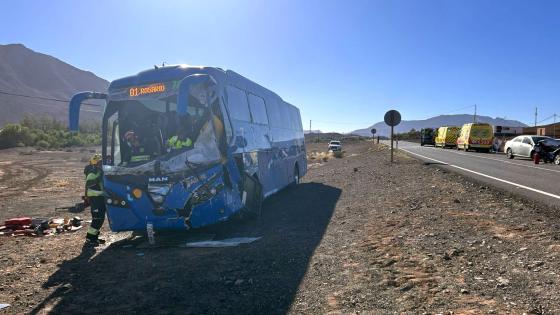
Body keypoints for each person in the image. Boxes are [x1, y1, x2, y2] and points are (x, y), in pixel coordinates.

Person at [84, 153, 106, 246]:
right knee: (97, 219)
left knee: (100, 219)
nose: (102, 164)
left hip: (99, 197)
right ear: (96, 163)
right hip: (95, 198)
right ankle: (90, 238)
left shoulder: (98, 171)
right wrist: (99, 177)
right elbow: (89, 183)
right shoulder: (93, 172)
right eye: (100, 162)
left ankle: (94, 237)